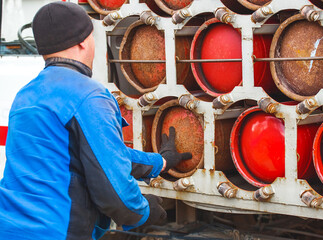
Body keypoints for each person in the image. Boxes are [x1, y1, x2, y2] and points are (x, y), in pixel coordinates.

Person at [0, 2, 192, 239]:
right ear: (83, 41)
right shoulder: (89, 96)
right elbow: (112, 188)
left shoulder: (26, 95)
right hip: (58, 232)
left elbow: (88, 154)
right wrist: (142, 211)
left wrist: (159, 162)